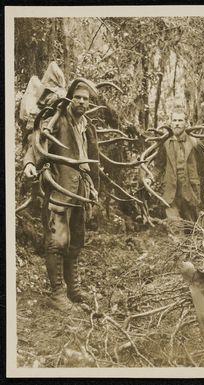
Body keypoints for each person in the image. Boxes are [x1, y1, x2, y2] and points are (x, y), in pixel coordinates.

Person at [23, 81, 99, 312]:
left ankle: (72, 289)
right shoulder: (58, 119)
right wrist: (29, 163)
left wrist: (94, 189)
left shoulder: (86, 124)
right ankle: (57, 293)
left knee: (76, 239)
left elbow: (91, 160)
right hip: (59, 188)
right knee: (57, 241)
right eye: (78, 97)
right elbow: (37, 140)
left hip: (80, 191)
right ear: (70, 98)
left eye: (86, 99)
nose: (82, 102)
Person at [153, 106, 204, 225]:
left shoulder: (195, 143)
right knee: (174, 227)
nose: (177, 124)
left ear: (186, 123)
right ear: (171, 123)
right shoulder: (165, 144)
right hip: (171, 193)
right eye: (175, 120)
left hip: (190, 191)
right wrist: (149, 178)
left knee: (192, 229)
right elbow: (158, 166)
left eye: (180, 120)